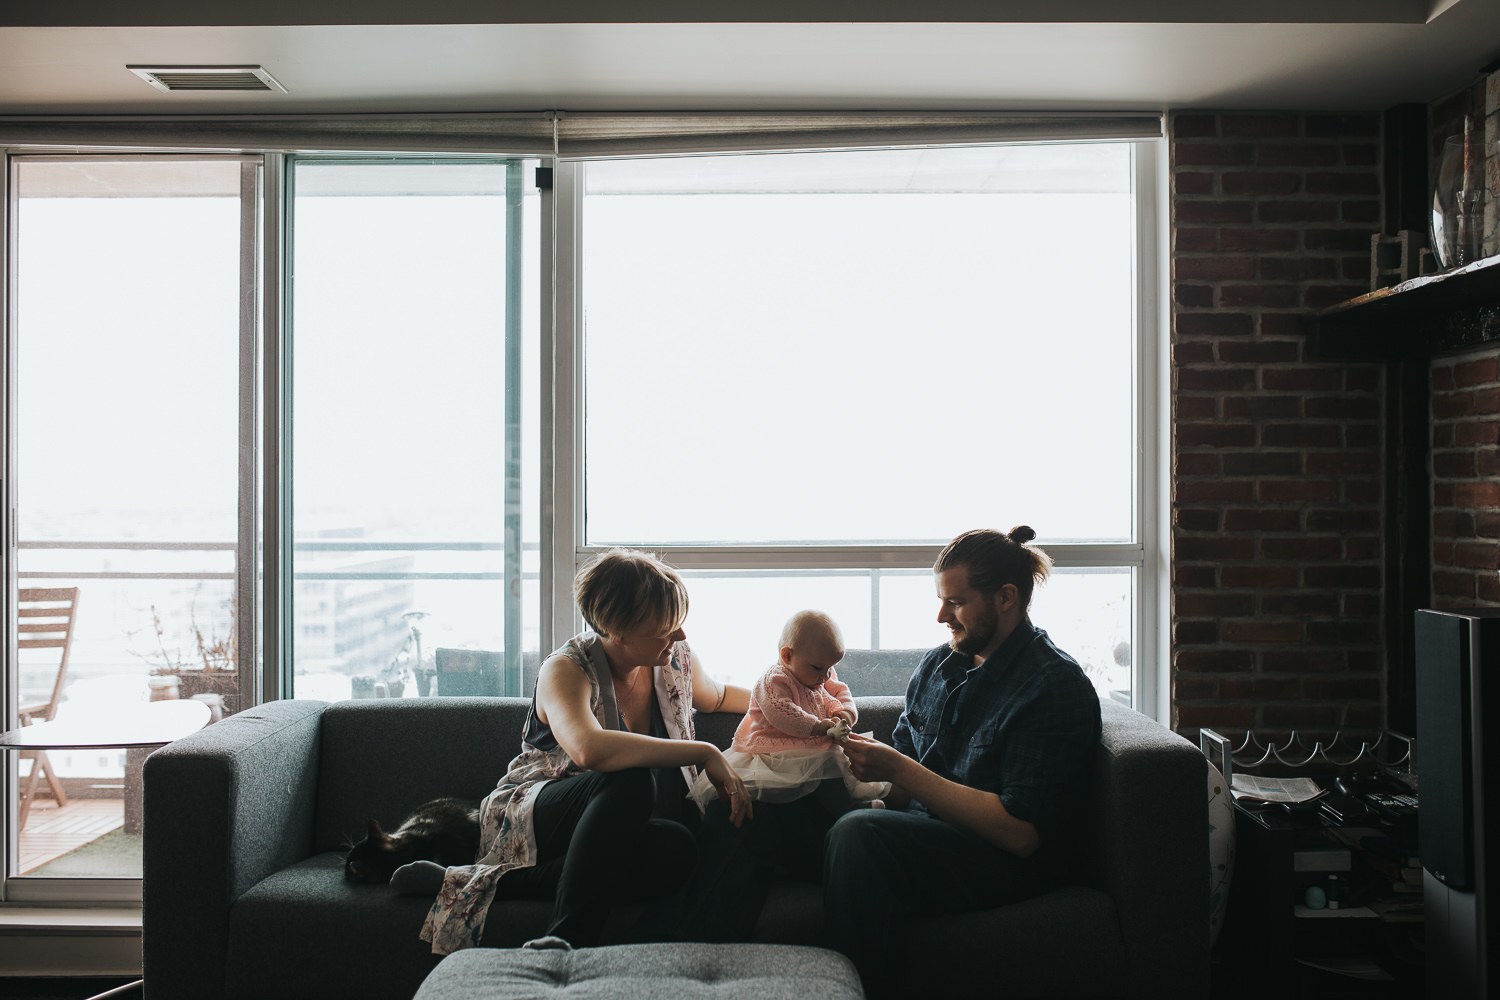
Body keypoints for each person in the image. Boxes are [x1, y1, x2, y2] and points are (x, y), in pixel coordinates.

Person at [413, 548, 752, 955]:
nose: (679, 636)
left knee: (677, 848)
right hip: (538, 812)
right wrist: (704, 752)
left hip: (610, 834)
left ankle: (480, 880)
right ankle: (567, 936)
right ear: (618, 631)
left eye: (679, 624)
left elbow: (716, 697)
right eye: (665, 627)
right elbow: (590, 750)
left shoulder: (674, 657)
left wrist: (800, 703)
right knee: (628, 777)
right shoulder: (566, 669)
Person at [824, 526, 1102, 997]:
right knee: (765, 812)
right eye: (940, 599)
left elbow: (1022, 834)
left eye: (955, 602)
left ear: (1006, 597)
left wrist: (898, 769)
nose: (940, 615)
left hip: (997, 857)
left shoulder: (1052, 685)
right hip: (922, 834)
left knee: (859, 836)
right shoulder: (938, 666)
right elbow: (901, 784)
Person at [686, 610, 888, 814]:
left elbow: (841, 691)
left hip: (813, 748)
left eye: (830, 667)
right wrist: (817, 726)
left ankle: (848, 808)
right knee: (813, 777)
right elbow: (783, 713)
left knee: (833, 774)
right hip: (774, 752)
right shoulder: (774, 680)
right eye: (819, 667)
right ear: (787, 655)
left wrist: (845, 714)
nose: (826, 675)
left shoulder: (823, 674)